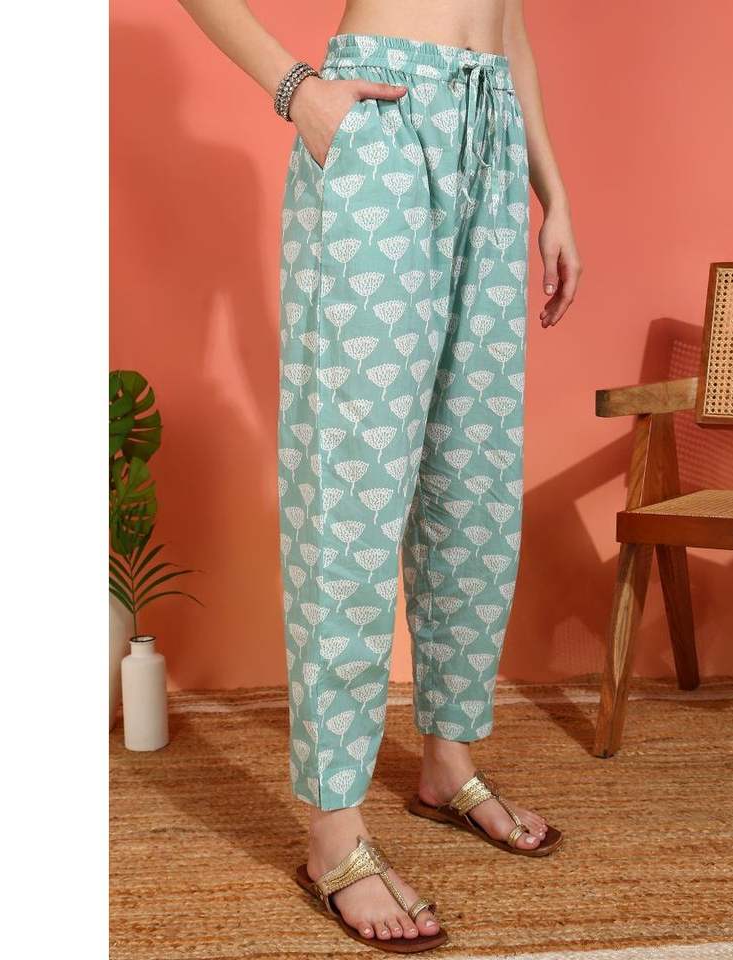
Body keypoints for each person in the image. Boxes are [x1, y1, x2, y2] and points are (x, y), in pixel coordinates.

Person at [179, 0, 581, 951]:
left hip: (491, 130)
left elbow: (510, 23)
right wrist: (299, 91)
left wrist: (552, 191)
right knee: (352, 491)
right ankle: (332, 832)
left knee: (473, 473)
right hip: (381, 125)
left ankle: (448, 761)